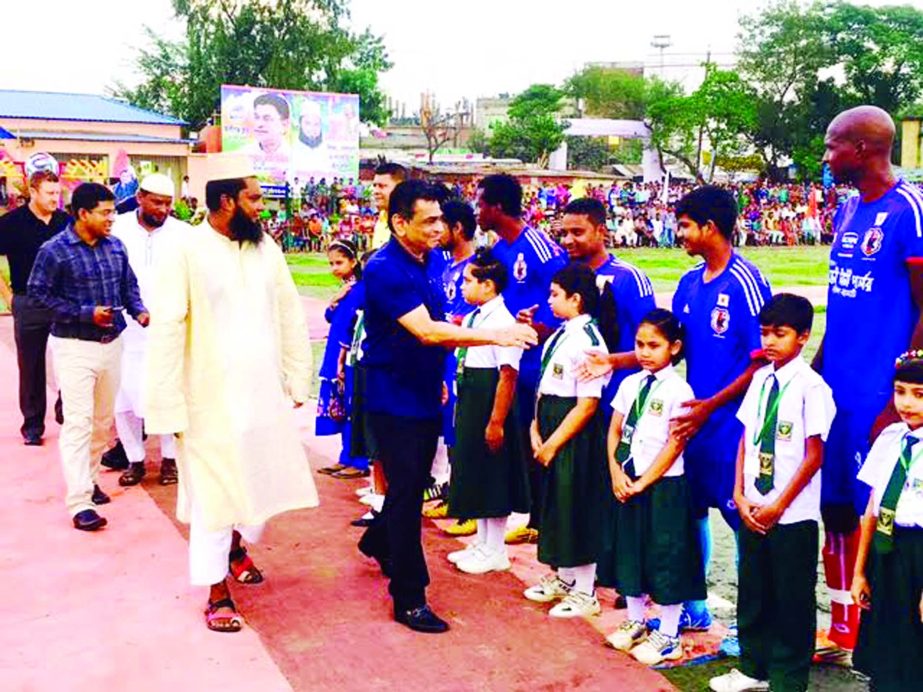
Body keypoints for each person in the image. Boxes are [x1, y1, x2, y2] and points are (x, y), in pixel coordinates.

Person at [143, 160, 319, 632]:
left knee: (257, 482)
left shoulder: (267, 250)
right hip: (206, 400)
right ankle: (216, 590)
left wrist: (298, 377)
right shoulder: (184, 249)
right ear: (226, 201)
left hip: (261, 396)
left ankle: (239, 547)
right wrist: (164, 403)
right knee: (213, 495)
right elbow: (166, 328)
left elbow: (288, 314)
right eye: (254, 198)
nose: (262, 208)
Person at [356, 179, 537, 634]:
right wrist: (498, 334)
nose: (441, 228)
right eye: (429, 220)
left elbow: (438, 324)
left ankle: (378, 540)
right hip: (390, 394)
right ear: (399, 223)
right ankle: (409, 596)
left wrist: (437, 378)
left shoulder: (431, 259)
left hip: (421, 389)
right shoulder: (385, 269)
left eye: (441, 219)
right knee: (406, 489)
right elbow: (428, 332)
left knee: (411, 484)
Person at [813, 105, 923, 655]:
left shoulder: (909, 210)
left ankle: (888, 634)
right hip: (837, 391)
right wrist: (815, 371)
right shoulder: (850, 208)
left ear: (861, 149)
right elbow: (842, 299)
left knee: (883, 516)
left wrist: (898, 394)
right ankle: (841, 627)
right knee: (834, 506)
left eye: (832, 145)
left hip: (880, 396)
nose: (826, 156)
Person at [710, 294, 836, 692]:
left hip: (792, 515)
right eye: (765, 333)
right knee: (754, 591)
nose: (770, 342)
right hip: (753, 506)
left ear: (802, 336)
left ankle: (787, 677)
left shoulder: (812, 387)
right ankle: (753, 667)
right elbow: (747, 437)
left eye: (779, 334)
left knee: (791, 599)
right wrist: (740, 494)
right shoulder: (761, 378)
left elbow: (814, 455)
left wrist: (779, 505)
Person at [27, 183, 149, 531]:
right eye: (105, 212)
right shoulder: (55, 251)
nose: (112, 218)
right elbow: (37, 295)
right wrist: (84, 313)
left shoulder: (115, 247)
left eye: (113, 211)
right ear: (83, 214)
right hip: (74, 347)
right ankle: (79, 502)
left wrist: (139, 311)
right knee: (79, 422)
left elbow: (129, 287)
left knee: (100, 422)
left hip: (113, 346)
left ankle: (90, 480)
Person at [604, 309, 704, 665]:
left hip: (662, 486)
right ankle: (636, 621)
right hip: (627, 481)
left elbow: (674, 444)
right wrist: (617, 473)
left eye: (654, 345)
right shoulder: (630, 383)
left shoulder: (679, 390)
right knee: (630, 551)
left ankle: (668, 633)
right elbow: (615, 430)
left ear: (674, 347)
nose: (645, 352)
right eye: (639, 345)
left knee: (665, 557)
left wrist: (644, 482)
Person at [477, 173, 567, 545]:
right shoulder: (499, 251)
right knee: (517, 438)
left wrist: (540, 327)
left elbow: (568, 301)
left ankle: (547, 520)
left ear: (497, 207)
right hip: (510, 361)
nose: (477, 211)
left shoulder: (541, 248)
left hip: (539, 364)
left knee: (541, 438)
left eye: (481, 203)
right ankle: (531, 514)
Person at [523, 263, 608, 619]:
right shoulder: (562, 334)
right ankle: (564, 577)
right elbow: (547, 387)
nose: (549, 300)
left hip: (572, 434)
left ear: (576, 299)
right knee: (555, 505)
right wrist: (534, 426)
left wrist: (554, 442)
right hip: (549, 425)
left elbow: (587, 404)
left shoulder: (589, 341)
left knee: (577, 506)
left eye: (555, 295)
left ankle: (586, 591)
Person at [446, 251, 530, 574]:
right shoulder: (473, 317)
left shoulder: (503, 323)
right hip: (470, 398)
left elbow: (507, 374)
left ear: (488, 285)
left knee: (493, 475)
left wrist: (496, 421)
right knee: (475, 471)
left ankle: (496, 548)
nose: (462, 287)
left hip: (490, 402)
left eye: (468, 281)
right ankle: (481, 542)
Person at [108, 174, 189, 487]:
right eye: (157, 201)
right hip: (126, 330)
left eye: (168, 203)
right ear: (140, 197)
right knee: (124, 398)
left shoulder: (184, 234)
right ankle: (134, 459)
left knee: (169, 393)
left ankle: (170, 460)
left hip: (169, 328)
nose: (164, 209)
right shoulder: (118, 228)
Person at [851, 350, 923, 691]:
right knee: (884, 641)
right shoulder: (890, 437)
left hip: (918, 555)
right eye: (900, 391)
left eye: (919, 394)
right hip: (885, 548)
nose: (906, 402)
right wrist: (860, 572)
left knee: (914, 648)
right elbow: (871, 510)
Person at [0, 170, 70, 445]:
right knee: (30, 365)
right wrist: (7, 294)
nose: (56, 199)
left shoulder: (66, 222)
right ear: (33, 191)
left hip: (63, 301)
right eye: (50, 193)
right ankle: (32, 425)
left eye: (58, 193)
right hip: (27, 300)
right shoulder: (11, 223)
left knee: (70, 358)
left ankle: (65, 407)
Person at [316, 239, 368, 480]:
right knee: (341, 408)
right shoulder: (347, 289)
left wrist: (342, 358)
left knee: (352, 408)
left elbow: (352, 325)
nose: (335, 268)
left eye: (339, 262)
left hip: (347, 355)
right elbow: (330, 316)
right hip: (335, 352)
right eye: (331, 263)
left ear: (353, 262)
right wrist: (336, 299)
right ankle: (345, 456)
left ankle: (358, 459)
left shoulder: (361, 290)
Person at [371, 162, 406, 249]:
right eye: (374, 186)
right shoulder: (381, 219)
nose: (376, 191)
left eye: (382, 186)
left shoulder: (408, 223)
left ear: (399, 187)